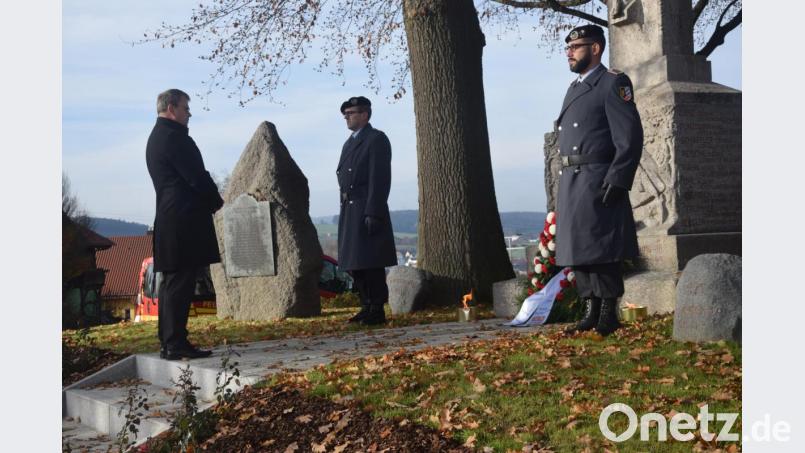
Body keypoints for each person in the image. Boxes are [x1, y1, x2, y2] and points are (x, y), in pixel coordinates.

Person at [553, 25, 644, 336]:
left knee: (601, 248)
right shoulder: (573, 88)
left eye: (576, 46)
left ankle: (608, 312)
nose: (569, 51)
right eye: (568, 47)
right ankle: (590, 310)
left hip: (597, 178)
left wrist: (618, 178)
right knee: (580, 249)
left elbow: (629, 137)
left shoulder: (613, 83)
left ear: (595, 49)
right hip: (572, 179)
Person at [146, 89, 224, 359]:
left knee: (171, 283)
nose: (189, 113)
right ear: (171, 108)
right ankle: (175, 343)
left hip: (169, 218)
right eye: (185, 108)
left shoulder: (157, 137)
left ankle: (169, 341)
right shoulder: (174, 138)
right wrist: (216, 201)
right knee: (181, 283)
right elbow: (196, 176)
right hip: (184, 219)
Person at [336, 96, 397, 325]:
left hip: (366, 206)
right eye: (346, 114)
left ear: (364, 114)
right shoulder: (350, 142)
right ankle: (365, 304)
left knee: (370, 262)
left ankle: (376, 308)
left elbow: (379, 178)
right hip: (349, 208)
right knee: (354, 263)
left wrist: (374, 210)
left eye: (351, 113)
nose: (347, 117)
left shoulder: (376, 139)